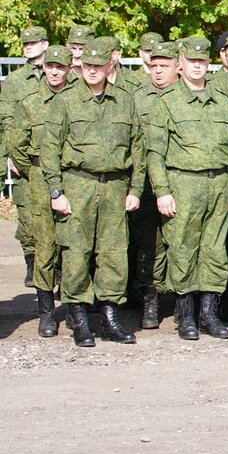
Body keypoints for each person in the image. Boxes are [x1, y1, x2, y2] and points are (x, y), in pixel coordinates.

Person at [42, 40, 146, 347]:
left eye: (98, 66)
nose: (92, 71)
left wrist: (136, 188)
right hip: (78, 184)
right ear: (78, 67)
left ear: (108, 67)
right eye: (87, 66)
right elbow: (50, 148)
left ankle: (110, 319)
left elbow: (138, 148)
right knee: (76, 253)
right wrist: (56, 190)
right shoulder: (66, 101)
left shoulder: (125, 101)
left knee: (113, 254)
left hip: (115, 186)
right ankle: (80, 320)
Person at [146, 37, 228, 340]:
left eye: (202, 62)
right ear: (181, 64)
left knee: (215, 251)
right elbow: (155, 153)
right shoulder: (166, 102)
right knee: (183, 250)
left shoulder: (222, 101)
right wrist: (162, 191)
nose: (197, 67)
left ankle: (209, 314)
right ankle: (186, 317)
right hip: (183, 184)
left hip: (219, 184)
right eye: (192, 62)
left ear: (209, 64)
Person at [6, 44, 73, 336]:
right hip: (38, 178)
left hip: (73, 177)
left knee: (74, 245)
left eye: (60, 67)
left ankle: (74, 307)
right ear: (43, 68)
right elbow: (15, 145)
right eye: (50, 67)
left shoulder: (78, 100)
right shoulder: (29, 103)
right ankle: (46, 311)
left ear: (70, 69)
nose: (54, 72)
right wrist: (36, 168)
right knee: (45, 244)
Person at [128, 40, 179, 329]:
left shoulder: (188, 96)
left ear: (178, 67)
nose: (158, 71)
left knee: (180, 242)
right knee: (150, 244)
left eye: (165, 66)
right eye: (155, 66)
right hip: (147, 184)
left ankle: (183, 300)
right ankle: (151, 298)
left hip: (181, 182)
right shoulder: (138, 98)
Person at [1, 25, 50, 287]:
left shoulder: (59, 73)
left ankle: (59, 269)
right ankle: (31, 264)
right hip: (25, 156)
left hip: (51, 156)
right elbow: (7, 118)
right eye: (25, 44)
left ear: (45, 43)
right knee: (28, 215)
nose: (28, 46)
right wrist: (11, 152)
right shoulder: (17, 80)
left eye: (34, 42)